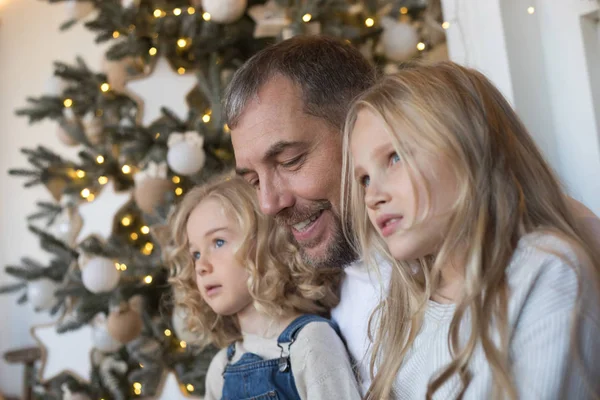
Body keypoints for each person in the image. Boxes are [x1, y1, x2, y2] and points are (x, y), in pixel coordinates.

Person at [224, 35, 600, 395]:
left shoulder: (539, 262)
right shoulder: (310, 284)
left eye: (291, 161)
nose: (270, 204)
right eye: (254, 180)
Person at [342, 62, 600, 399]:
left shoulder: (547, 268)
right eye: (364, 179)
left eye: (394, 158)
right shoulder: (406, 306)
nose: (373, 196)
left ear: (469, 146)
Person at [167, 174, 361, 400]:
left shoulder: (310, 343)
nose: (201, 266)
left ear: (268, 242)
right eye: (196, 254)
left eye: (218, 242)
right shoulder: (220, 370)